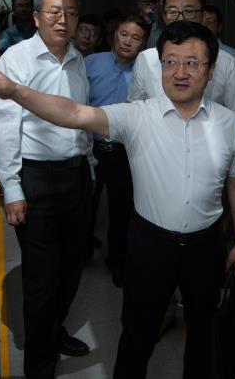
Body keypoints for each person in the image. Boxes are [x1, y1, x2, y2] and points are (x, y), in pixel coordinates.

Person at [0, 21, 235, 379]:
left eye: (192, 63)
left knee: (203, 333)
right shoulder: (137, 116)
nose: (180, 73)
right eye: (170, 62)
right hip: (150, 246)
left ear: (211, 71)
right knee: (137, 333)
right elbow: (73, 113)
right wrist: (14, 91)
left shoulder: (228, 124)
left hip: (206, 248)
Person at [0, 0, 94, 379]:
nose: (63, 20)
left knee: (72, 267)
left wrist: (89, 165)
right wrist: (12, 188)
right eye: (54, 12)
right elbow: (3, 126)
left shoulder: (78, 59)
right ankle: (40, 366)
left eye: (71, 13)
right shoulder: (15, 60)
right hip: (37, 179)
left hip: (77, 175)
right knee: (41, 280)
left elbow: (80, 117)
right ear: (35, 17)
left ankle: (53, 330)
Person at [128, 0, 235, 138]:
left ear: (203, 16)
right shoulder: (146, 60)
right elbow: (136, 112)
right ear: (164, 16)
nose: (180, 19)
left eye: (189, 11)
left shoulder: (227, 61)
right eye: (172, 12)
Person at [84, 15, 148, 287]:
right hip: (90, 146)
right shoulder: (91, 63)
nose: (127, 42)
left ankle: (117, 261)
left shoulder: (147, 71)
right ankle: (82, 250)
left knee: (121, 210)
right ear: (114, 35)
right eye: (124, 34)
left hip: (124, 151)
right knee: (85, 203)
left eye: (136, 38)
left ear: (143, 44)